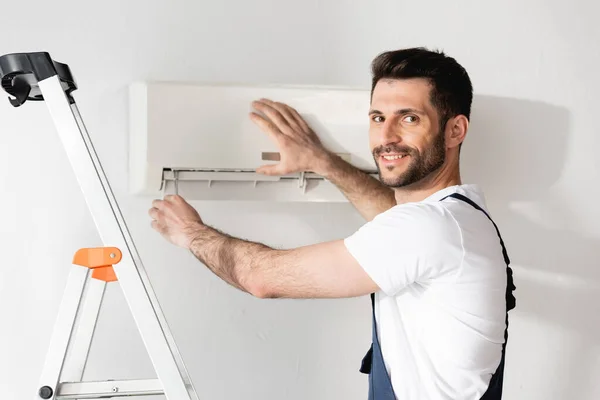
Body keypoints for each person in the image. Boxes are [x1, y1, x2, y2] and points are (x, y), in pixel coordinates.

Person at [148, 47, 516, 399]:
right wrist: (321, 161)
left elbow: (260, 278)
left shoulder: (430, 228)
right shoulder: (457, 218)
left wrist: (190, 233)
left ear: (455, 130)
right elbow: (392, 218)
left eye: (409, 118)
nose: (386, 137)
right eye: (377, 118)